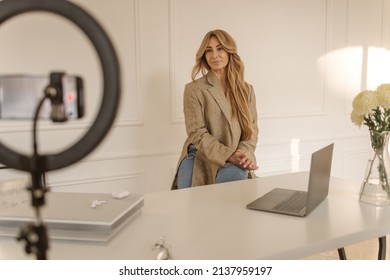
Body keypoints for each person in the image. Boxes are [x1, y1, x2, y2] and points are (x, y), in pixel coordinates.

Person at [171, 29, 259, 190]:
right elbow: (196, 133)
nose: (214, 55)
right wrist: (228, 155)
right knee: (190, 209)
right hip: (200, 158)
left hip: (236, 155)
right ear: (204, 55)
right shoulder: (194, 89)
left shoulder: (247, 90)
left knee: (237, 176)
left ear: (229, 51)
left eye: (220, 48)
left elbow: (251, 131)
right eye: (208, 50)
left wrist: (244, 155)